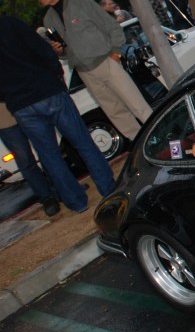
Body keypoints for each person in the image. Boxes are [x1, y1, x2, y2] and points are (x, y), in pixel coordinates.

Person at [0, 14, 115, 213]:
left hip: (21, 105)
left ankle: (76, 202)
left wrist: (9, 96)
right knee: (83, 142)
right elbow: (42, 49)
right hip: (48, 90)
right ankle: (108, 189)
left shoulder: (10, 23)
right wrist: (56, 75)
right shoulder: (11, 23)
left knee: (50, 156)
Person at [29, 0, 152, 142]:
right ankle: (140, 143)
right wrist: (59, 51)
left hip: (106, 62)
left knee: (137, 105)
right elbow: (65, 53)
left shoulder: (81, 2)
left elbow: (111, 26)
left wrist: (116, 52)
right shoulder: (48, 19)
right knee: (115, 113)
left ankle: (160, 139)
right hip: (84, 72)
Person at [0, 103, 59, 216]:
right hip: (5, 121)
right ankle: (47, 197)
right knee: (26, 161)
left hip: (28, 107)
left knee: (47, 151)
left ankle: (65, 188)